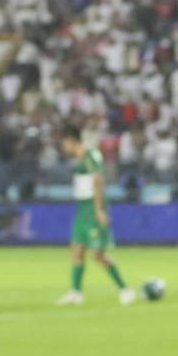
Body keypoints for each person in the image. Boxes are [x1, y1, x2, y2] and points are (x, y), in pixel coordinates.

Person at [55, 125, 137, 306]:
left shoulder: (90, 156)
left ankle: (125, 289)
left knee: (98, 254)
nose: (63, 148)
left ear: (71, 141)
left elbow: (98, 180)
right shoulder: (79, 160)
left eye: (64, 144)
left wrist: (99, 210)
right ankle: (76, 292)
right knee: (77, 251)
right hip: (83, 208)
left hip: (93, 207)